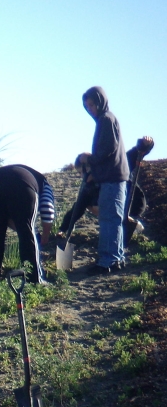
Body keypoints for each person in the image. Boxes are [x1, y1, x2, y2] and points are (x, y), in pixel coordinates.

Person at [58, 136, 154, 248]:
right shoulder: (90, 187)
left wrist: (146, 144)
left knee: (101, 204)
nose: (82, 176)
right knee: (87, 202)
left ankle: (131, 223)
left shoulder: (113, 166)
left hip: (133, 202)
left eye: (82, 173)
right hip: (116, 205)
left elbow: (134, 154)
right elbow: (77, 208)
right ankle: (123, 227)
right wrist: (63, 229)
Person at [0, 164, 55, 284]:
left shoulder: (18, 171)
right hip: (21, 185)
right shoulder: (44, 183)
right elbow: (47, 210)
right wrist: (45, 238)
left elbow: (9, 217)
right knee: (26, 231)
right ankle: (34, 280)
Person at [82, 86, 129, 274]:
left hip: (113, 178)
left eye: (92, 105)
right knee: (112, 219)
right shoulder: (106, 119)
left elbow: (107, 149)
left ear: (100, 102)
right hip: (112, 177)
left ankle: (108, 261)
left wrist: (89, 159)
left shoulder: (106, 119)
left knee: (109, 219)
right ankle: (116, 258)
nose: (90, 109)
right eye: (87, 107)